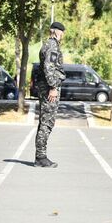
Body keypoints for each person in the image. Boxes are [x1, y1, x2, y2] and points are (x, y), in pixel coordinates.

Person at [34, 22, 66, 168]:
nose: (62, 35)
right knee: (47, 122)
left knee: (44, 121)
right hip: (49, 87)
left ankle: (40, 156)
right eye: (61, 32)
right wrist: (53, 87)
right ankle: (41, 157)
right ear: (56, 32)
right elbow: (49, 67)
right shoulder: (52, 45)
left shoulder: (48, 44)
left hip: (45, 85)